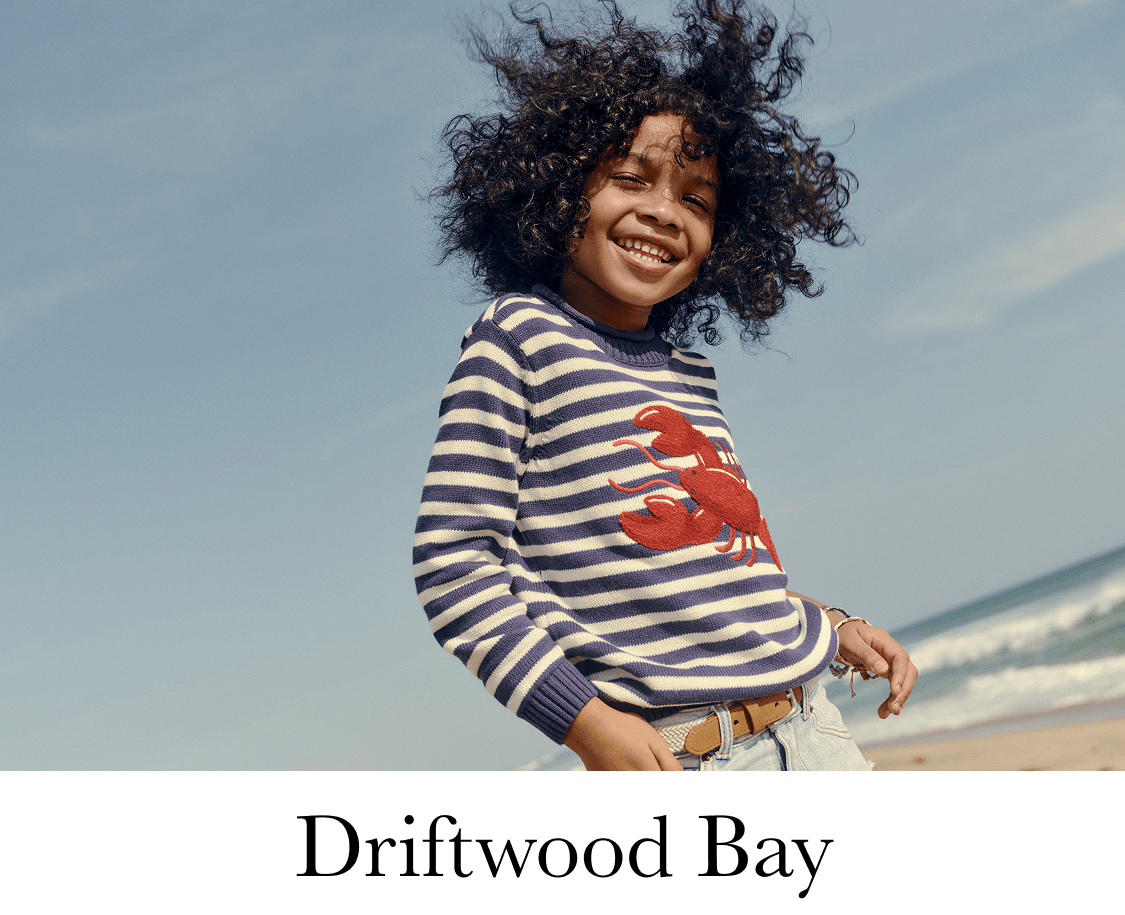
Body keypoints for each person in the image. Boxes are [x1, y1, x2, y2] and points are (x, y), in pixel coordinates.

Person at [414, 0, 918, 770]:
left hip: (815, 730)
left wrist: (828, 624)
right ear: (557, 188)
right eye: (629, 178)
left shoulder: (689, 373)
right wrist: (582, 719)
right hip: (687, 762)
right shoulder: (516, 336)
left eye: (696, 199)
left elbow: (720, 563)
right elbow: (454, 560)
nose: (661, 212)